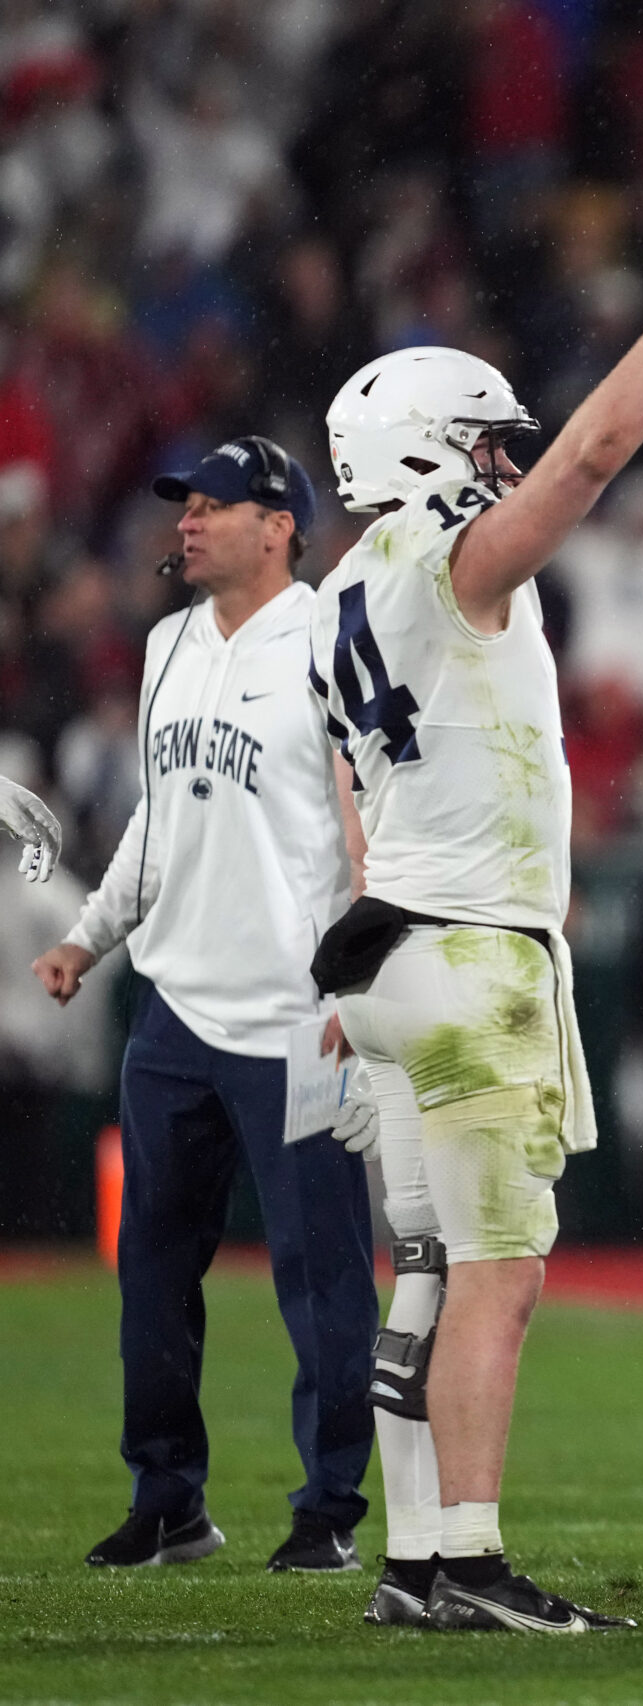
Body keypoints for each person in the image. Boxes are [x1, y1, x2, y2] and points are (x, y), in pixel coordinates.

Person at [312, 176, 643, 1635]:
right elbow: (595, 454)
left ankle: (412, 1551)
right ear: (426, 451)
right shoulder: (444, 566)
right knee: (496, 1279)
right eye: (482, 441)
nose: (507, 462)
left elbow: (344, 775)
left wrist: (367, 913)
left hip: (392, 940)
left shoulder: (342, 587)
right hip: (465, 950)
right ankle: (465, 1561)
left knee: (431, 1269)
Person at [29, 438, 370, 1576]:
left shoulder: (333, 636)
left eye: (214, 504)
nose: (188, 520)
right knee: (153, 1278)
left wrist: (358, 978)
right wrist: (90, 934)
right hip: (172, 1009)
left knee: (321, 1278)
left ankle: (327, 1507)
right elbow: (156, 821)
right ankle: (166, 1496)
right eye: (185, 503)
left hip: (294, 1015)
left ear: (279, 525)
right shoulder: (168, 641)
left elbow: (372, 817)